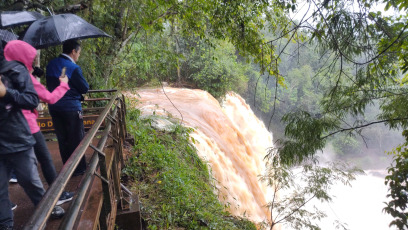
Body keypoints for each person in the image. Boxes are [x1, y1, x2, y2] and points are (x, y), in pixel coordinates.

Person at [0, 44, 64, 230]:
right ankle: (5, 224)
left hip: (19, 137)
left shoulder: (14, 70)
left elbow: (33, 99)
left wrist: (6, 93)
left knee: (30, 179)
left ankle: (46, 209)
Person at [4, 40, 74, 205]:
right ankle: (57, 195)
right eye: (31, 57)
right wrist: (63, 85)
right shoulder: (25, 76)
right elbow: (49, 98)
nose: (33, 61)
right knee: (45, 158)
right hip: (28, 125)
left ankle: (5, 205)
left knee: (6, 167)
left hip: (8, 126)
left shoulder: (5, 73)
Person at [46, 39, 88, 176]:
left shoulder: (51, 64)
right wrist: (79, 95)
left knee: (62, 138)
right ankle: (79, 169)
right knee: (76, 138)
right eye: (79, 53)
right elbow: (84, 87)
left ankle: (67, 169)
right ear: (73, 51)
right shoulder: (73, 67)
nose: (78, 56)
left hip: (54, 107)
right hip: (71, 107)